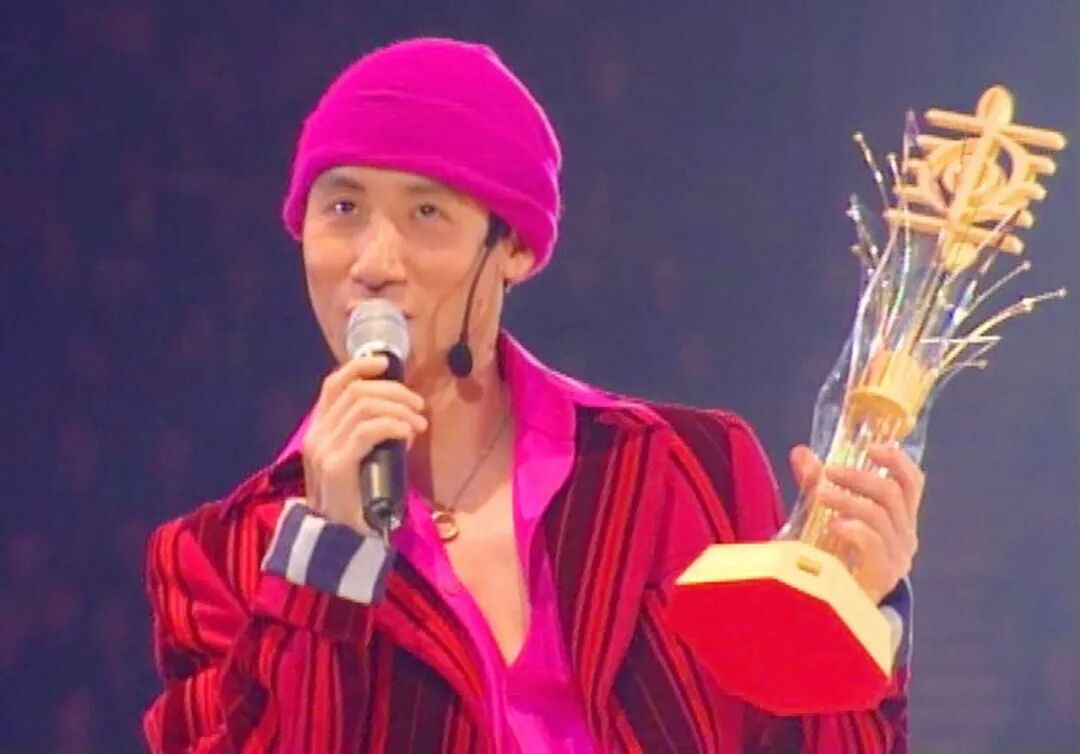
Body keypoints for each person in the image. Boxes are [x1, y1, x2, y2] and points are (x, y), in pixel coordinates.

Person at [143, 37, 919, 753]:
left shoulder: (681, 472)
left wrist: (858, 613)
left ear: (512, 246)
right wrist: (326, 560)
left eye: (426, 213)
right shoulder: (220, 560)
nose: (374, 262)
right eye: (342, 209)